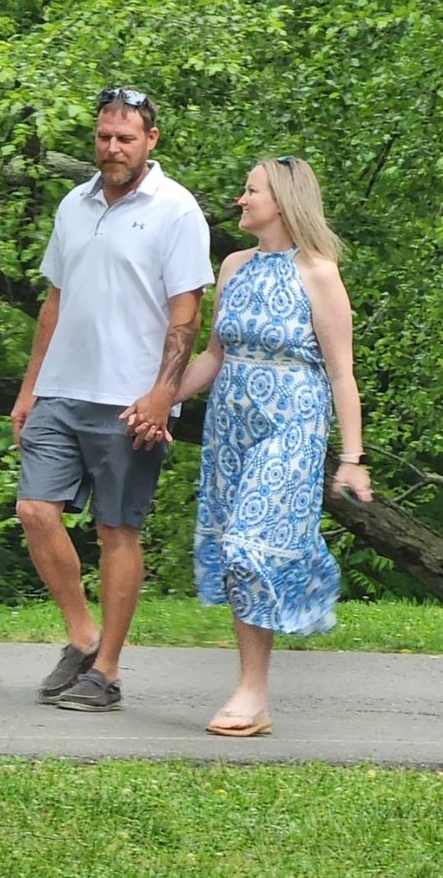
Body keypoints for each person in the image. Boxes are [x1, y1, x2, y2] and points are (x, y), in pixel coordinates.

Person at [10, 87, 215, 712]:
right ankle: (82, 638)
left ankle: (108, 672)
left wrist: (162, 395)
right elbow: (54, 301)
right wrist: (28, 389)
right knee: (34, 511)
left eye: (125, 137)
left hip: (130, 401)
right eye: (104, 136)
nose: (112, 147)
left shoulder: (177, 210)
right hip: (60, 390)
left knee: (116, 528)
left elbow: (187, 313)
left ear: (151, 140)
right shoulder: (74, 204)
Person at [174, 155, 372, 736]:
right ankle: (252, 696)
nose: (241, 199)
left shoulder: (319, 272)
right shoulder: (234, 266)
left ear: (281, 201)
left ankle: (252, 692)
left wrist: (353, 458)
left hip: (291, 426)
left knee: (248, 543)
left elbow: (342, 375)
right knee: (235, 553)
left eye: (250, 190)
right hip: (231, 428)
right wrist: (159, 401)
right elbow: (213, 355)